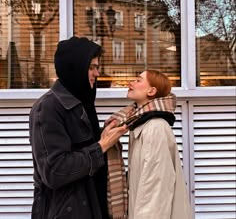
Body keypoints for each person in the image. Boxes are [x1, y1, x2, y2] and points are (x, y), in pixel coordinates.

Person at [29, 36, 128, 219]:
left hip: (91, 206)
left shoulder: (81, 103)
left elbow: (81, 148)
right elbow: (55, 170)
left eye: (97, 67)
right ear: (74, 69)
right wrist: (102, 145)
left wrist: (104, 134)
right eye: (91, 67)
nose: (97, 73)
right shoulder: (48, 108)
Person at [106, 70, 192, 219]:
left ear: (151, 91)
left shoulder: (154, 128)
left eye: (138, 80)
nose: (130, 83)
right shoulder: (138, 123)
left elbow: (154, 192)